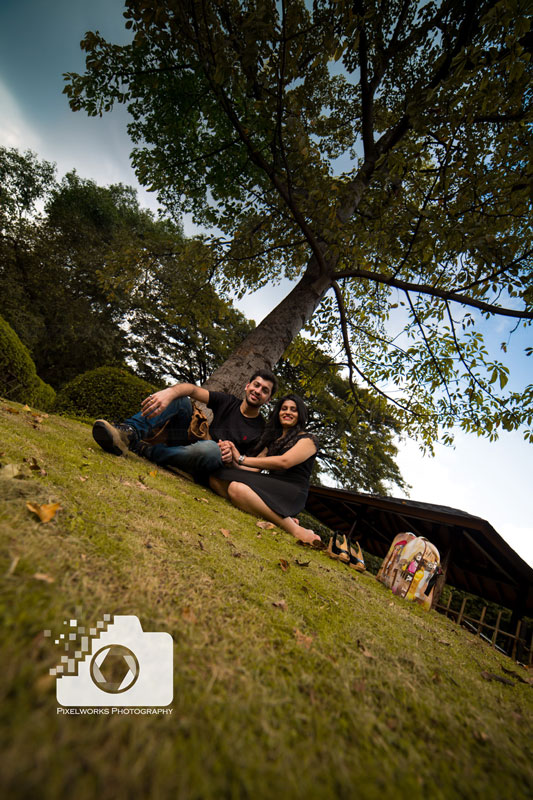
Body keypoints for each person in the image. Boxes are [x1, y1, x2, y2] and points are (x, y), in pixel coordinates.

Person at [91, 370, 277, 482]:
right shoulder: (228, 402)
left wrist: (234, 460)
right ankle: (128, 433)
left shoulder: (262, 430)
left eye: (264, 390)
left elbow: (255, 469)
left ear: (268, 399)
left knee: (212, 450)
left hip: (211, 465)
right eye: (256, 385)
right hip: (188, 446)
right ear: (247, 386)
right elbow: (193, 390)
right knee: (182, 400)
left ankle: (142, 449)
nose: (258, 391)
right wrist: (169, 393)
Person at [209, 394, 324, 547]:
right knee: (216, 478)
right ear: (278, 413)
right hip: (271, 484)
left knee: (237, 489)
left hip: (291, 490)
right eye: (284, 409)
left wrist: (241, 458)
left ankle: (294, 529)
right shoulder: (273, 441)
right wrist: (232, 457)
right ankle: (277, 515)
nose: (287, 412)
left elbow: (285, 462)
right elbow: (252, 468)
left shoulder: (309, 439)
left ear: (300, 415)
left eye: (293, 410)